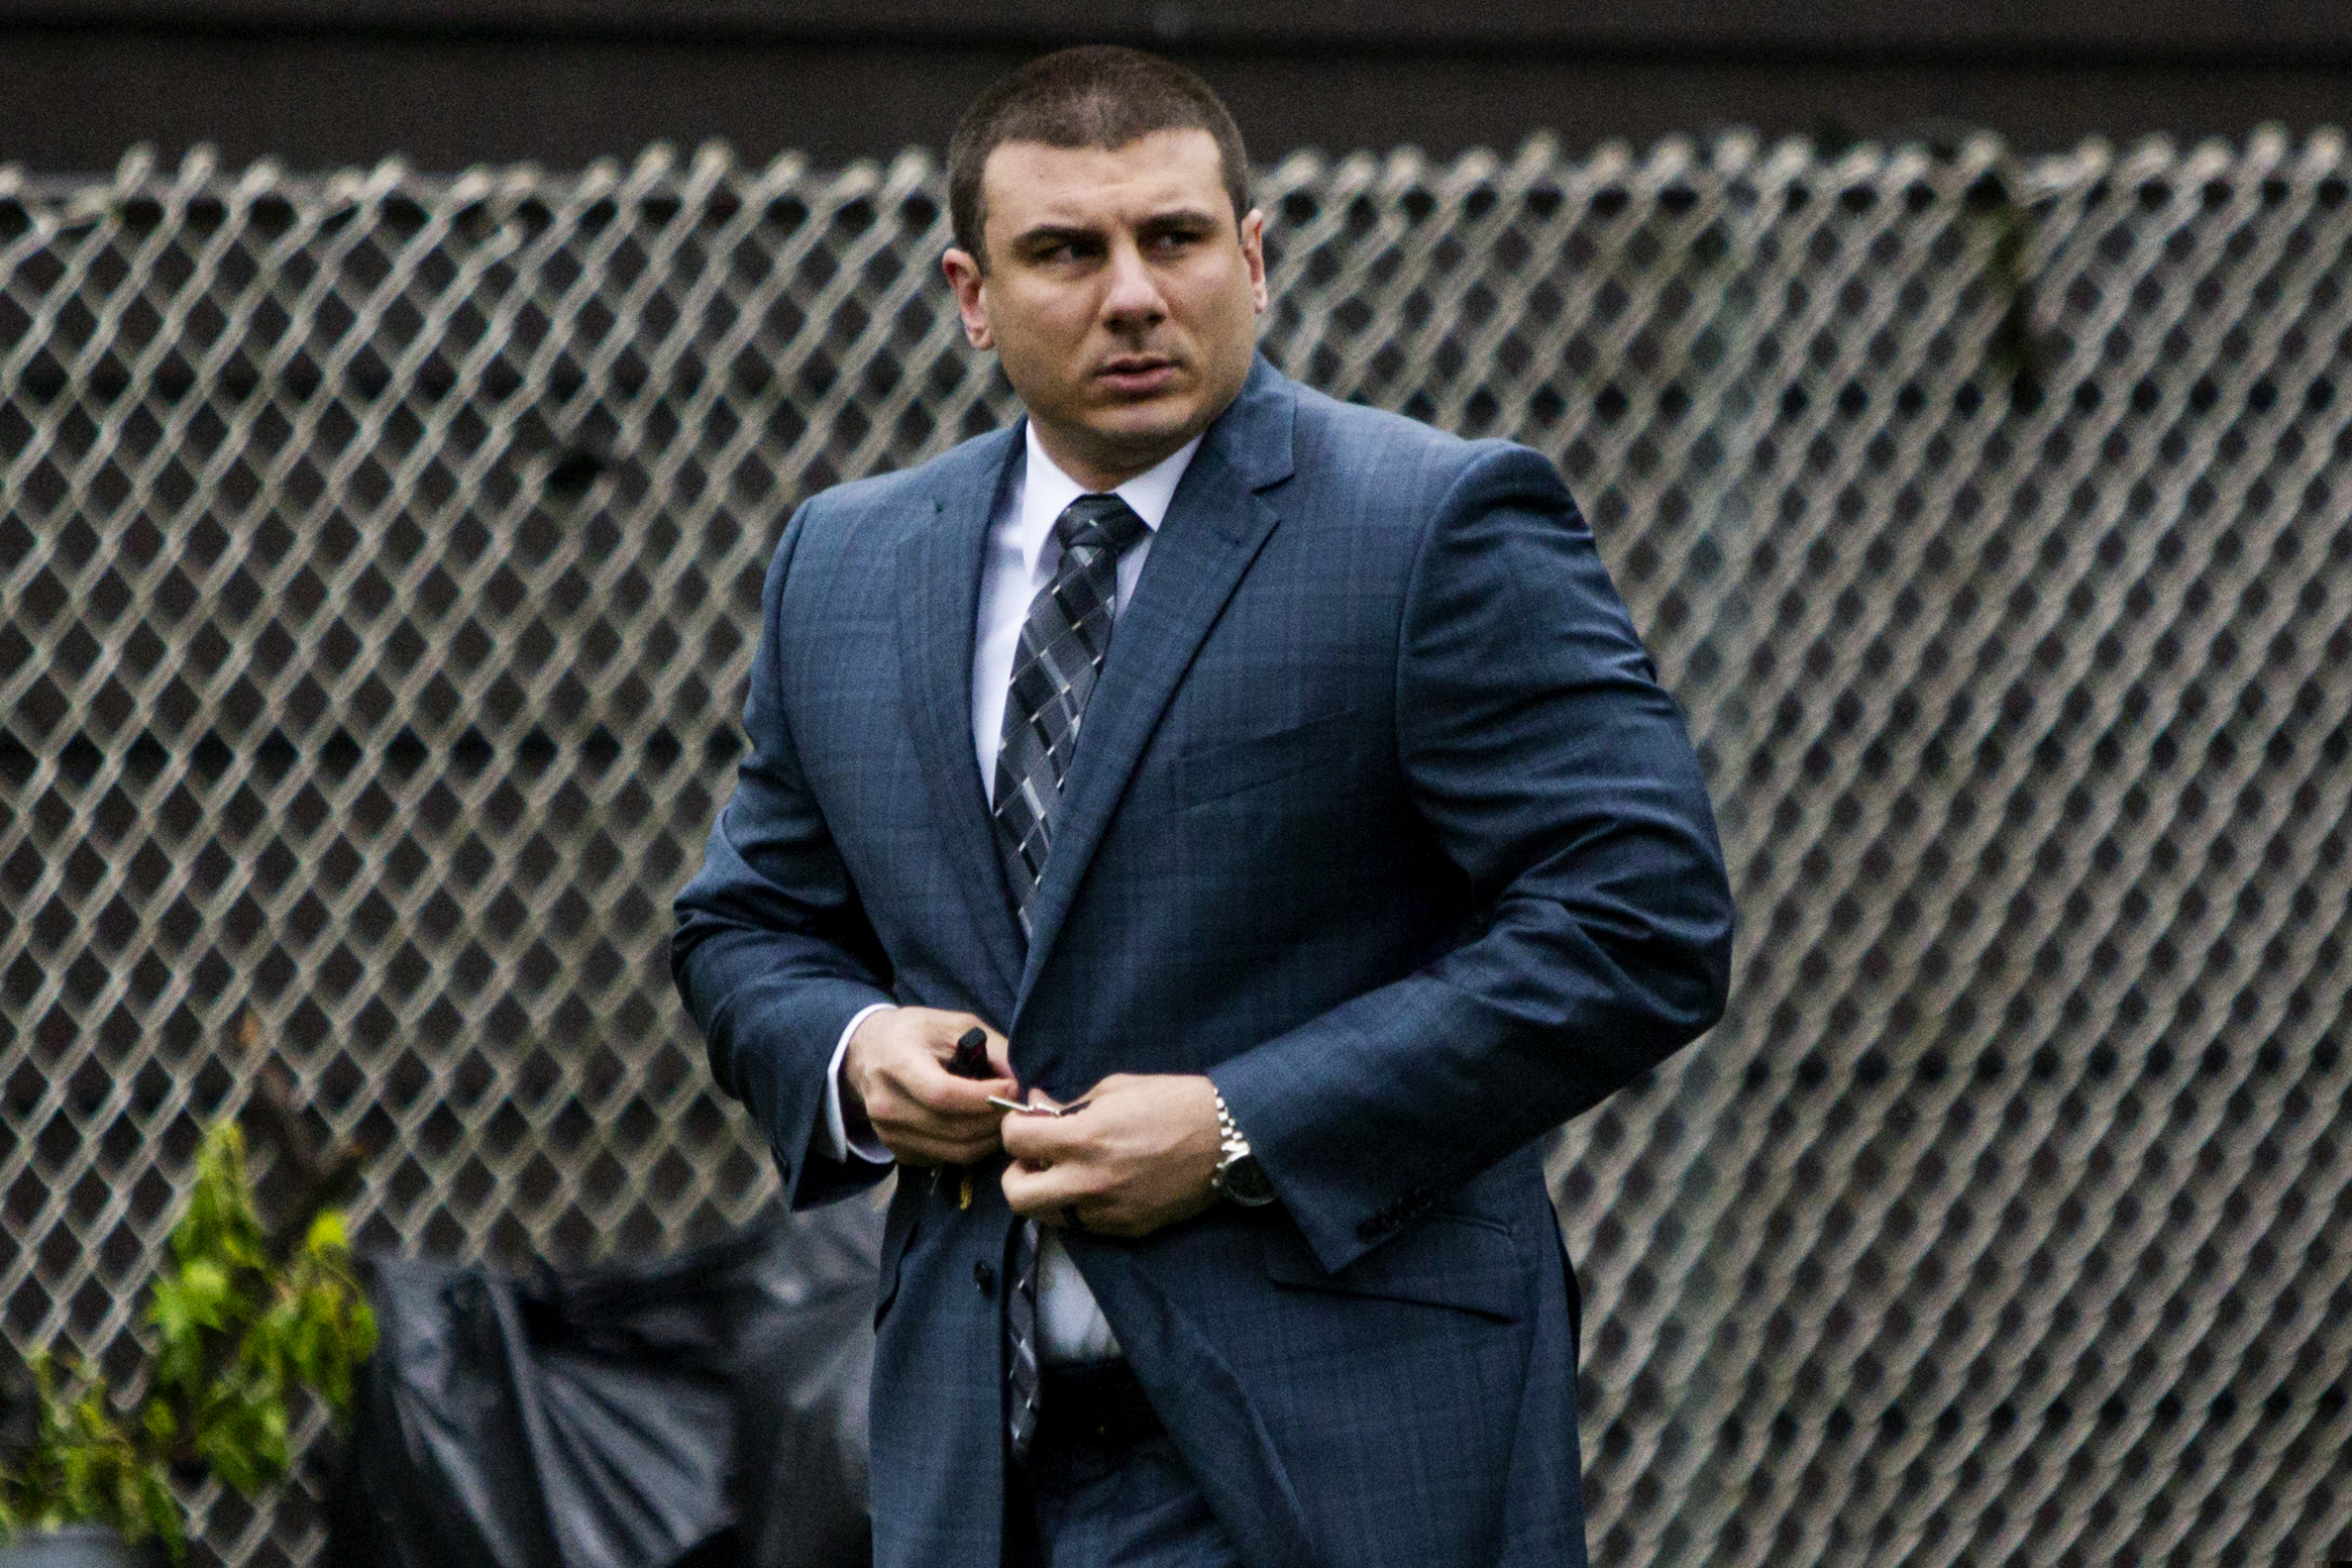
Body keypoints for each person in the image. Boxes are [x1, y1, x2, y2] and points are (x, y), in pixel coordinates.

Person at [673, 45, 1733, 1568]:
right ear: (971, 295)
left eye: (1171, 239)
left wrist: (1241, 1127)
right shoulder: (843, 563)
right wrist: (854, 1053)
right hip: (975, 1464)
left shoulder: (1432, 523)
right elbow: (747, 925)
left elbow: (1641, 920)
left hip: (1335, 1453)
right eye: (1064, 251)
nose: (1129, 294)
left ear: (1251, 257)